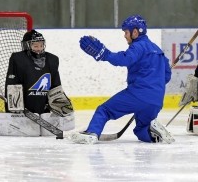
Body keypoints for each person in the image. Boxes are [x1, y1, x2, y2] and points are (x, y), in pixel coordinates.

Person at [70, 14, 175, 144]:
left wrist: (105, 54)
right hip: (156, 100)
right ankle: (153, 133)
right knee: (141, 130)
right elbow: (166, 76)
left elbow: (125, 59)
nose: (124, 35)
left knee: (104, 110)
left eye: (126, 32)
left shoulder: (138, 46)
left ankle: (92, 133)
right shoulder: (157, 49)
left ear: (135, 32)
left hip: (138, 94)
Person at [5, 29, 74, 117]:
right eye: (35, 46)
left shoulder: (52, 60)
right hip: (24, 109)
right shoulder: (18, 59)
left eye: (41, 45)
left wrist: (60, 105)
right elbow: (12, 83)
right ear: (27, 46)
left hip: (44, 108)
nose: (39, 49)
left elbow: (55, 85)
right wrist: (15, 107)